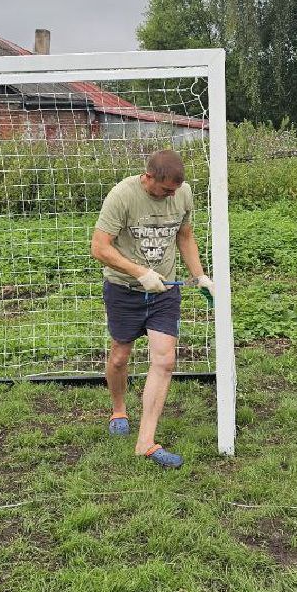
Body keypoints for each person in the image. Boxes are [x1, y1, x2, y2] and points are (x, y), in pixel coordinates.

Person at [90, 149, 214, 469]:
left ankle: (145, 442)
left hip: (165, 291)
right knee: (120, 357)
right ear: (148, 178)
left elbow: (185, 236)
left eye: (175, 190)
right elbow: (99, 247)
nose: (171, 195)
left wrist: (199, 275)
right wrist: (140, 273)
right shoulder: (122, 195)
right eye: (165, 190)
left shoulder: (182, 193)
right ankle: (119, 410)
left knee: (165, 359)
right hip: (124, 289)